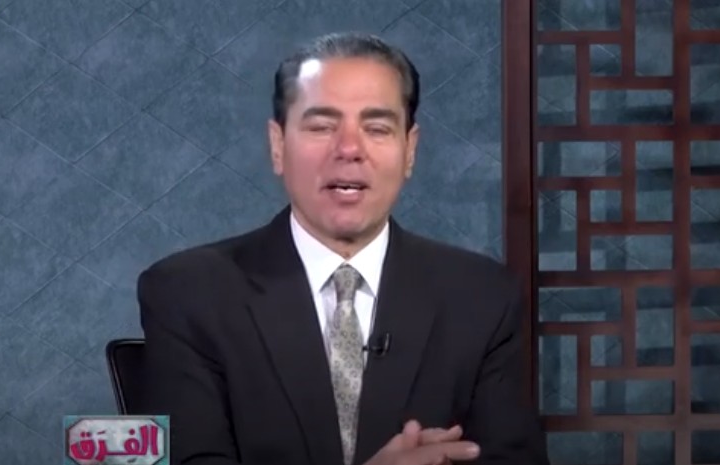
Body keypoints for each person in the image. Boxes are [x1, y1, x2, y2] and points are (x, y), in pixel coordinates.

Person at [136, 31, 549, 465]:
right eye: (321, 127)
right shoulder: (190, 294)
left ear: (409, 150)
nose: (349, 149)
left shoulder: (482, 298)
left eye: (377, 128)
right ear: (278, 145)